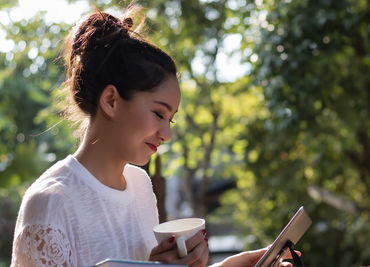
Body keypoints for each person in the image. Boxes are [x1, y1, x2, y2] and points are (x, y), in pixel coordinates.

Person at [11, 4, 298, 267]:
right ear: (111, 101)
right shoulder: (52, 202)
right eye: (159, 114)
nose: (167, 134)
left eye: (170, 119)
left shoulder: (139, 186)